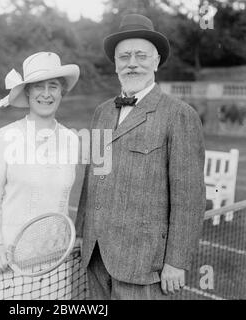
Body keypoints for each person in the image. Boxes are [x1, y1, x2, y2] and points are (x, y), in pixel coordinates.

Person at [75, 14, 206, 300]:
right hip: (96, 258)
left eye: (140, 56)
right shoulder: (102, 112)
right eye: (124, 57)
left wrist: (176, 261)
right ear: (116, 64)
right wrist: (80, 235)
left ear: (156, 62)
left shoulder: (179, 114)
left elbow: (189, 197)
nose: (132, 63)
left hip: (145, 265)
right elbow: (92, 179)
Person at [0, 52, 80, 299]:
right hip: (6, 262)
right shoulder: (4, 137)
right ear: (27, 93)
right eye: (38, 87)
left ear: (62, 92)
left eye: (53, 86)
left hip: (53, 264)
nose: (46, 93)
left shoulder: (72, 140)